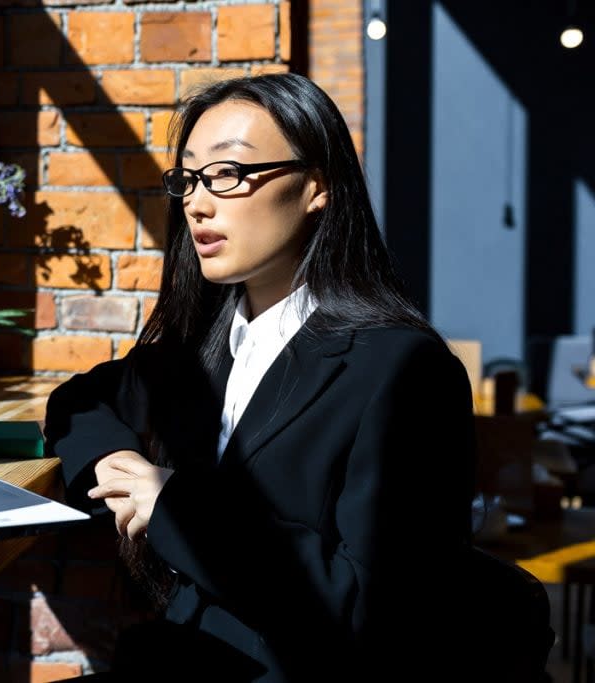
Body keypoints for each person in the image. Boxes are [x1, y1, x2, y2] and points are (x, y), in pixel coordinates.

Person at [44, 74, 551, 681]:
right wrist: (113, 466)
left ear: (317, 187)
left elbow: (371, 608)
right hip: (181, 654)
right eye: (190, 179)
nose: (198, 203)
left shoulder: (402, 369)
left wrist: (172, 506)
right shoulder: (207, 346)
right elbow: (80, 401)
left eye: (228, 174)